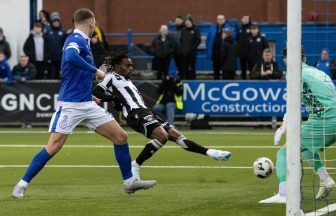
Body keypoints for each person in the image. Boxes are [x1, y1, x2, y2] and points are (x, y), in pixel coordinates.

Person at [12, 8, 156, 199]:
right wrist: (97, 71)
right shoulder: (75, 39)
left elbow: (76, 74)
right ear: (91, 23)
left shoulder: (84, 42)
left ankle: (129, 182)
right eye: (95, 23)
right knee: (54, 146)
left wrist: (89, 95)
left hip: (87, 103)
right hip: (70, 105)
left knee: (120, 137)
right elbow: (71, 58)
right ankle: (21, 185)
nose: (95, 25)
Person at [259, 48, 336, 204]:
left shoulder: (294, 74)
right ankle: (325, 180)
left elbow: (292, 105)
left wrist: (282, 127)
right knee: (306, 148)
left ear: (286, 60)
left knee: (284, 152)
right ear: (305, 59)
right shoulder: (321, 73)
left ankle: (284, 194)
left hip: (325, 120)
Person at [92, 53, 232, 181]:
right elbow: (97, 92)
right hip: (136, 114)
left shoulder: (128, 82)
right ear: (117, 66)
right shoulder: (111, 76)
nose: (131, 68)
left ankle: (210, 152)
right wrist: (113, 98)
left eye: (132, 66)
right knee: (162, 136)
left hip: (148, 112)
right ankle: (136, 165)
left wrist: (116, 100)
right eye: (127, 65)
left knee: (178, 137)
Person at [206, 15, 235, 80]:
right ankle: (216, 82)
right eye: (219, 19)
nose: (220, 20)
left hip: (225, 54)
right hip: (215, 53)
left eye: (221, 19)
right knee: (216, 70)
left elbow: (232, 39)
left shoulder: (229, 28)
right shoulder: (212, 28)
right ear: (216, 20)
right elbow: (208, 40)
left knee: (225, 71)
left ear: (224, 20)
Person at [178, 15, 201, 80]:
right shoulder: (183, 30)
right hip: (184, 53)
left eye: (188, 21)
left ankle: (193, 80)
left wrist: (193, 48)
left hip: (192, 53)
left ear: (191, 22)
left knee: (192, 67)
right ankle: (187, 79)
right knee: (185, 67)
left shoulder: (195, 30)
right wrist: (181, 49)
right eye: (186, 21)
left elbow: (198, 40)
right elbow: (181, 40)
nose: (187, 23)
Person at [47, 12, 67, 79]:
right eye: (54, 21)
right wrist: (47, 55)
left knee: (60, 75)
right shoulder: (48, 32)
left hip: (60, 58)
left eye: (57, 21)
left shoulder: (63, 32)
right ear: (52, 22)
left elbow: (65, 45)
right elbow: (46, 45)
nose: (56, 23)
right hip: (50, 58)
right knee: (50, 74)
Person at [236, 15, 252, 79]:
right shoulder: (239, 29)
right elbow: (237, 39)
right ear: (241, 19)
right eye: (244, 18)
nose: (245, 20)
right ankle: (243, 80)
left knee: (251, 67)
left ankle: (252, 81)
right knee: (243, 68)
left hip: (250, 52)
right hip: (242, 52)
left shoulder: (251, 28)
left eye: (247, 18)